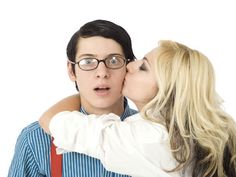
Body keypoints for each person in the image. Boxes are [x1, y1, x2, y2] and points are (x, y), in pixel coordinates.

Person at [39, 40, 236, 177]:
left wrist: (86, 93)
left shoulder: (153, 140)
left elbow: (53, 120)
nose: (131, 66)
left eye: (143, 67)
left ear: (167, 90)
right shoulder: (189, 133)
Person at [8, 19, 137, 177]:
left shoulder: (159, 133)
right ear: (71, 70)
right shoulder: (35, 141)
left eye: (114, 60)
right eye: (88, 61)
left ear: (129, 68)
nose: (102, 72)